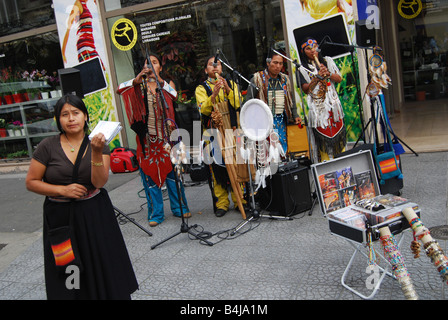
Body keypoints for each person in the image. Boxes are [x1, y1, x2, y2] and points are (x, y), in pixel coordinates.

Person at [25, 94, 138, 300]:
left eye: (76, 113)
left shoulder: (98, 143)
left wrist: (95, 152)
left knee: (100, 260)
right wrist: (62, 190)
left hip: (94, 214)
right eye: (64, 114)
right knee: (69, 266)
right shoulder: (47, 146)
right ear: (58, 120)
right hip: (61, 219)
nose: (71, 119)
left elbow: (99, 182)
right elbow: (31, 182)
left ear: (85, 116)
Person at [117, 53, 190, 227]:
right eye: (147, 63)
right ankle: (156, 213)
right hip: (148, 141)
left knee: (173, 175)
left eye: (154, 62)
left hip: (167, 139)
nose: (150, 65)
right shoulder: (138, 85)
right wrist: (137, 80)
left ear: (160, 68)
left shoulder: (166, 85)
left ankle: (179, 208)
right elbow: (120, 88)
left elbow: (174, 96)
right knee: (150, 177)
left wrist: (158, 80)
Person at [195, 55, 245, 217]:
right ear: (206, 70)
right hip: (213, 133)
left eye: (217, 65)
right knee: (216, 169)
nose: (215, 67)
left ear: (222, 68)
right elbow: (203, 109)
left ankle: (240, 200)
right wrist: (214, 95)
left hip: (232, 130)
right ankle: (222, 203)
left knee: (236, 165)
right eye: (211, 65)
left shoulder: (230, 84)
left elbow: (238, 103)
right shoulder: (201, 88)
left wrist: (228, 90)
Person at [298, 37, 346, 162]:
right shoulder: (302, 69)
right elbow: (305, 89)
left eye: (314, 47)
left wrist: (328, 74)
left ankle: (343, 163)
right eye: (308, 49)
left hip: (333, 106)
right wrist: (317, 78)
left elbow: (339, 78)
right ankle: (326, 166)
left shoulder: (327, 61)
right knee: (323, 142)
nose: (312, 50)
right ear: (303, 52)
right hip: (318, 109)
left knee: (339, 139)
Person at [245, 51, 301, 153]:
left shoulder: (284, 79)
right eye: (275, 63)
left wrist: (295, 114)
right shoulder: (257, 79)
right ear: (268, 62)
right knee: (269, 150)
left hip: (281, 120)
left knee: (283, 148)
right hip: (264, 122)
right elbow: (248, 102)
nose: (278, 66)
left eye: (280, 63)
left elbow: (290, 100)